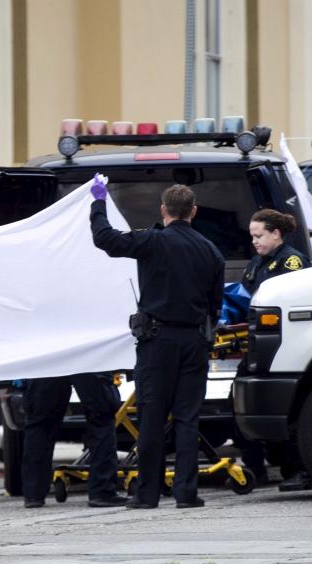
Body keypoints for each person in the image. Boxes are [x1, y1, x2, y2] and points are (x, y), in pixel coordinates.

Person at [90, 177, 224, 509]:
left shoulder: (152, 241)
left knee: (151, 416)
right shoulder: (211, 251)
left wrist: (98, 202)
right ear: (193, 211)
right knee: (187, 418)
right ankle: (186, 493)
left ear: (163, 210)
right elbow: (215, 307)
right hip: (194, 341)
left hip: (157, 342)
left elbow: (104, 239)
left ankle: (147, 494)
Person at [236, 209, 312, 492]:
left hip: (287, 347)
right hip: (261, 346)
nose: (254, 241)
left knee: (288, 409)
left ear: (276, 233)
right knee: (245, 403)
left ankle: (299, 470)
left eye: (259, 236)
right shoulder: (257, 263)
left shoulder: (291, 262)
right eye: (252, 237)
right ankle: (254, 467)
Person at [20, 374, 126, 508]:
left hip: (48, 358)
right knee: (101, 417)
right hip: (85, 358)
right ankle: (102, 491)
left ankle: (33, 493)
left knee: (40, 422)